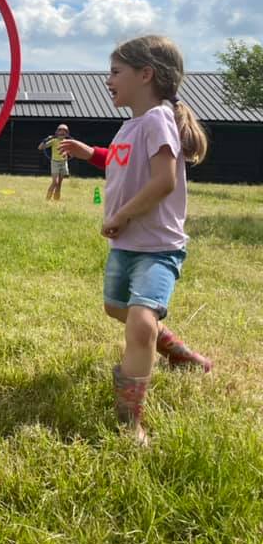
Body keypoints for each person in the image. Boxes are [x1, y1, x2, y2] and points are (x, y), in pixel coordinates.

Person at [61, 35, 212, 446]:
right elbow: (121, 162)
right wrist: (88, 152)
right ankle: (175, 349)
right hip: (126, 243)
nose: (107, 80)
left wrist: (122, 215)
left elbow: (164, 181)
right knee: (118, 309)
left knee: (140, 324)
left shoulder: (159, 119)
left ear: (146, 75)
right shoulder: (132, 125)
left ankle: (130, 421)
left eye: (114, 72)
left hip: (158, 245)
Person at [38, 123, 70, 201]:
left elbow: (71, 153)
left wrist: (68, 153)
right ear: (57, 132)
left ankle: (56, 201)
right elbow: (40, 148)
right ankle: (47, 199)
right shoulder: (53, 141)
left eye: (64, 131)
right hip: (55, 163)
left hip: (63, 162)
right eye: (60, 131)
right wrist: (46, 140)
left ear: (67, 133)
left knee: (59, 184)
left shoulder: (68, 142)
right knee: (55, 182)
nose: (62, 133)